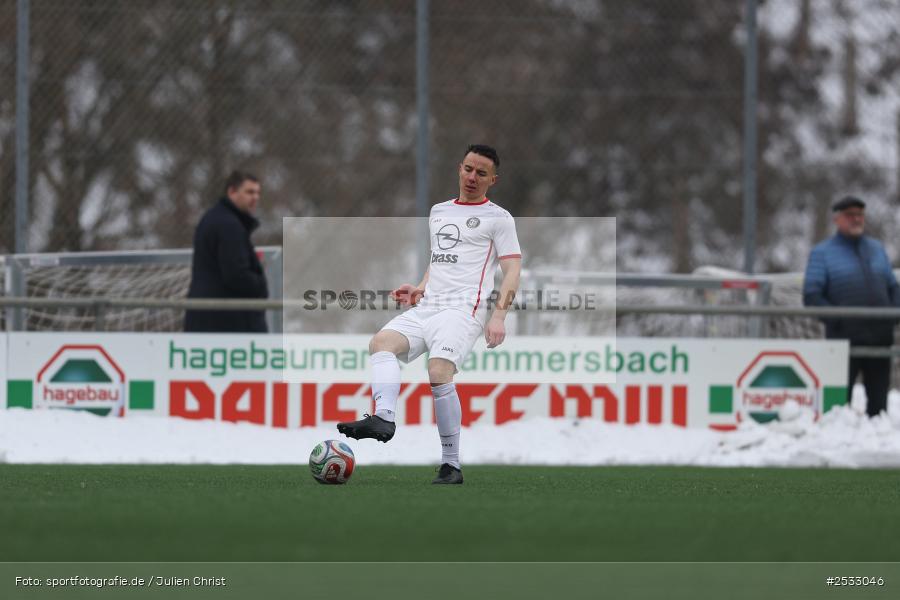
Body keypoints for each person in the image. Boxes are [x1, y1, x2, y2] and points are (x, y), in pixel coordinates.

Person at [337, 144, 522, 484]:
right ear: (459, 168)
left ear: (492, 180)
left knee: (438, 372)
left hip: (463, 310)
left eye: (481, 173)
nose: (472, 177)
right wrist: (421, 287)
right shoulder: (439, 211)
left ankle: (451, 465)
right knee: (381, 343)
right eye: (468, 169)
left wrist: (498, 316)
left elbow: (512, 270)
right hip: (428, 307)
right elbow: (440, 259)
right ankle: (384, 418)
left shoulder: (499, 218)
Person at [803, 195, 900, 417]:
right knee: (837, 407)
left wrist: (893, 314)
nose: (856, 219)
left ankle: (875, 434)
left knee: (879, 409)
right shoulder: (822, 253)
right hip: (843, 340)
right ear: (837, 219)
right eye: (850, 215)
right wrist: (838, 319)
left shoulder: (876, 249)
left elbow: (893, 286)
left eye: (860, 215)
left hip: (880, 337)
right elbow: (812, 295)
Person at [184, 170, 269, 333]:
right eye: (249, 192)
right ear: (232, 192)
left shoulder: (216, 218)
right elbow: (236, 274)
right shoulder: (229, 226)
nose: (255, 197)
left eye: (258, 193)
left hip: (210, 318)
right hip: (227, 322)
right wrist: (260, 285)